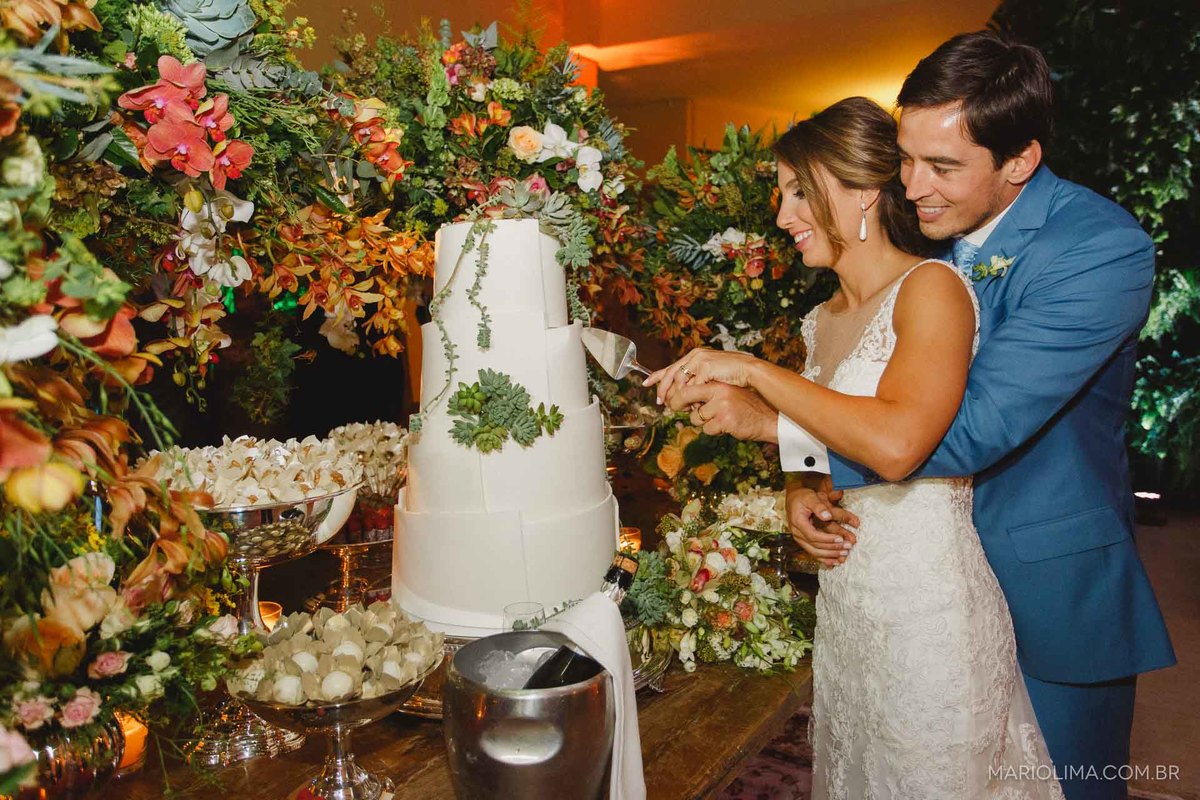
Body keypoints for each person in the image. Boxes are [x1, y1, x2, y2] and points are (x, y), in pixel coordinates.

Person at [655, 32, 1175, 800]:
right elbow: (845, 388)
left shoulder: (1098, 250)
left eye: (942, 167)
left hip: (1041, 584)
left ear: (1020, 162)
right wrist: (804, 483)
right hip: (893, 588)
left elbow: (965, 430)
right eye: (903, 157)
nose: (913, 185)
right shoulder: (898, 256)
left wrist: (772, 419)